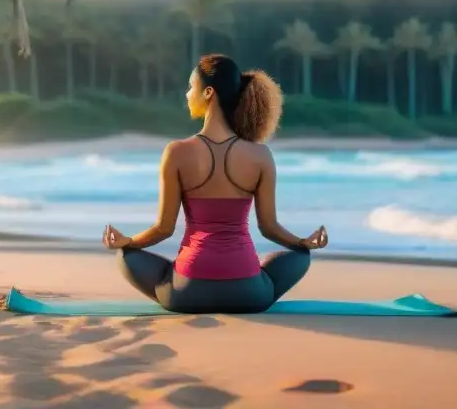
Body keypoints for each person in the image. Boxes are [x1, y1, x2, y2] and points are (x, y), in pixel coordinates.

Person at [102, 54, 328, 314]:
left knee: (126, 258)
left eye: (191, 87)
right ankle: (254, 280)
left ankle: (177, 282)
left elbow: (163, 229)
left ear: (208, 92)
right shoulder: (260, 155)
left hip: (187, 294)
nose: (187, 94)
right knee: (299, 256)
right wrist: (303, 242)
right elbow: (269, 227)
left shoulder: (176, 152)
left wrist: (127, 242)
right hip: (249, 295)